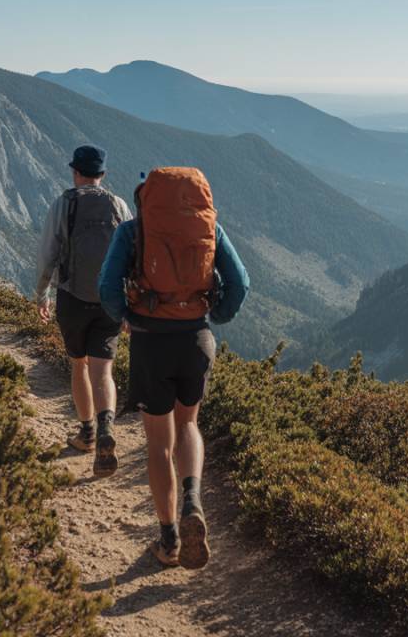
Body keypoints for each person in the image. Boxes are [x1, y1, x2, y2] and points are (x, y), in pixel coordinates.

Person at [98, 167, 249, 570]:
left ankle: (168, 539)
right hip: (196, 340)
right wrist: (215, 312)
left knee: (158, 444)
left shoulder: (132, 231)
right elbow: (241, 284)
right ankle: (193, 499)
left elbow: (106, 287)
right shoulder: (209, 228)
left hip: (151, 341)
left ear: (147, 197)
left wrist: (126, 317)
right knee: (188, 426)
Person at [36, 145, 132, 478]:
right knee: (103, 370)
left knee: (79, 365)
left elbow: (48, 253)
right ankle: (107, 429)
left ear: (76, 172)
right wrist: (128, 306)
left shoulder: (64, 204)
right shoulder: (118, 205)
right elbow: (131, 257)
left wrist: (41, 294)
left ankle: (88, 433)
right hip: (109, 302)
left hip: (72, 299)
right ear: (102, 175)